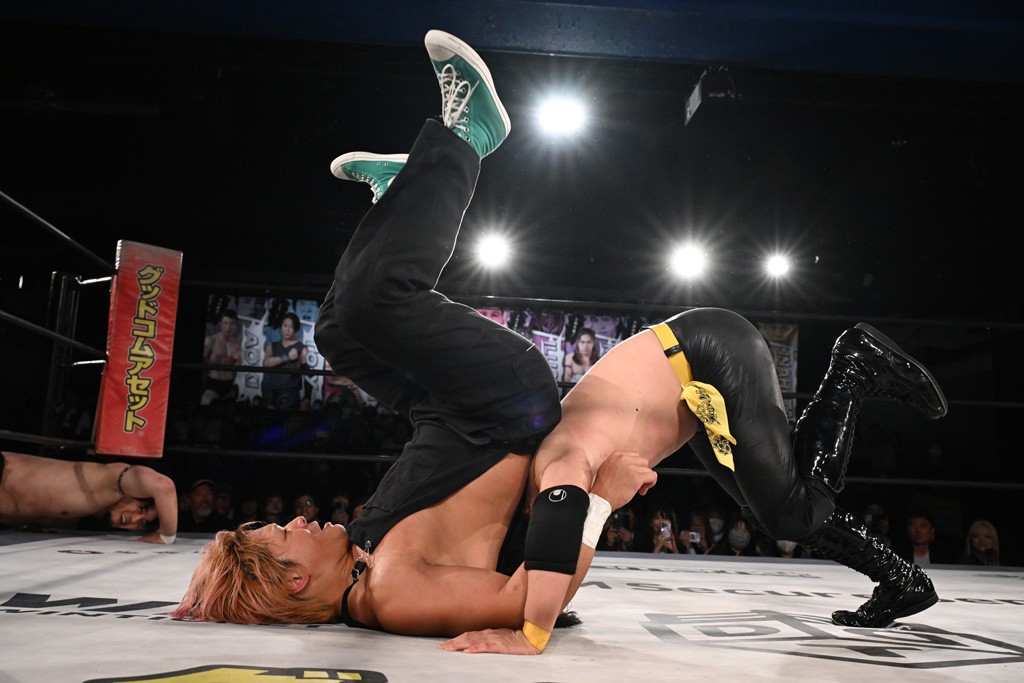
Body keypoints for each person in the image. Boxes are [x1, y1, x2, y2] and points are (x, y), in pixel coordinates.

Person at [172, 30, 650, 640]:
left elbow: (239, 586)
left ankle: (402, 195)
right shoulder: (392, 593)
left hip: (448, 412)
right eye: (287, 534)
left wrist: (218, 590)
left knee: (337, 330)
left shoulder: (358, 559)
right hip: (500, 407)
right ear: (294, 580)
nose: (298, 520)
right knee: (375, 299)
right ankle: (468, 137)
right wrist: (599, 503)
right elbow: (524, 601)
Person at [0, 451, 177, 543]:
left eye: (141, 522)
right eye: (140, 508)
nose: (134, 518)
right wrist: (166, 536)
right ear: (134, 493)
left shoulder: (90, 510)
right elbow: (163, 485)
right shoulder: (116, 478)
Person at [263, 312, 308, 409]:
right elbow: (266, 363)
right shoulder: (272, 345)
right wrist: (287, 357)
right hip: (272, 391)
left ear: (295, 329)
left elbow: (305, 370)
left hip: (290, 392)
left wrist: (302, 361)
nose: (287, 330)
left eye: (291, 327)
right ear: (281, 327)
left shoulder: (301, 347)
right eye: (285, 325)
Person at [201, 309, 241, 405]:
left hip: (229, 384)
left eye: (232, 324)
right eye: (226, 323)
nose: (229, 327)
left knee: (228, 412)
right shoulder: (211, 341)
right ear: (220, 324)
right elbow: (202, 364)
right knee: (206, 409)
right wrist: (215, 362)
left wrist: (237, 361)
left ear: (235, 325)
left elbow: (238, 367)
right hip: (213, 383)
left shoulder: (237, 345)